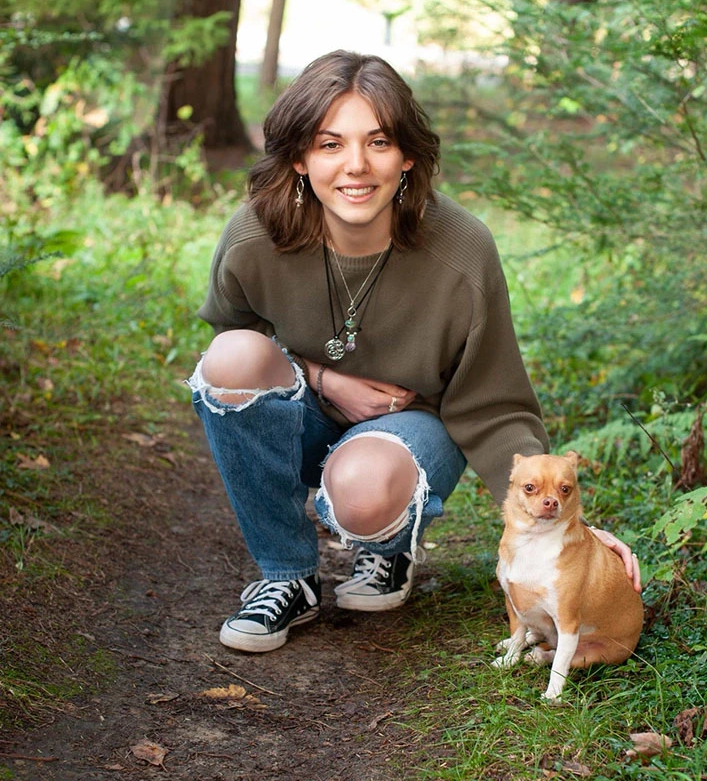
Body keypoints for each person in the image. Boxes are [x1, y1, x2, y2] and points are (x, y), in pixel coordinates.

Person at [188, 50, 641, 654]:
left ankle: (388, 546)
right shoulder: (255, 235)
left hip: (412, 431)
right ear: (299, 157)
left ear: (406, 156)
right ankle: (285, 575)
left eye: (378, 142)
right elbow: (234, 342)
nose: (356, 165)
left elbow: (493, 401)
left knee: (365, 483)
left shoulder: (462, 248)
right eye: (330, 144)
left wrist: (570, 527)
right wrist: (324, 379)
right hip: (304, 411)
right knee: (231, 359)